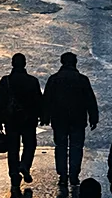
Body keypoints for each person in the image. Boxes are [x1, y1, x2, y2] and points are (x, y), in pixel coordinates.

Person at [42, 52, 98, 187]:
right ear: (75, 63)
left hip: (59, 119)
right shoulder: (82, 79)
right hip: (78, 119)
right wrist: (93, 117)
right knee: (76, 147)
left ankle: (62, 175)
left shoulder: (54, 79)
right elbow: (90, 100)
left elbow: (47, 100)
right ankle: (74, 175)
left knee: (61, 147)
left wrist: (45, 116)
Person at [0, 53, 43, 195]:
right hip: (28, 119)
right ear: (25, 64)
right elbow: (38, 100)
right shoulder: (32, 81)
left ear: (12, 64)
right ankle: (25, 164)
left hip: (11, 119)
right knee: (30, 144)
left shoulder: (6, 81)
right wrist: (42, 115)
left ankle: (14, 175)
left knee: (13, 148)